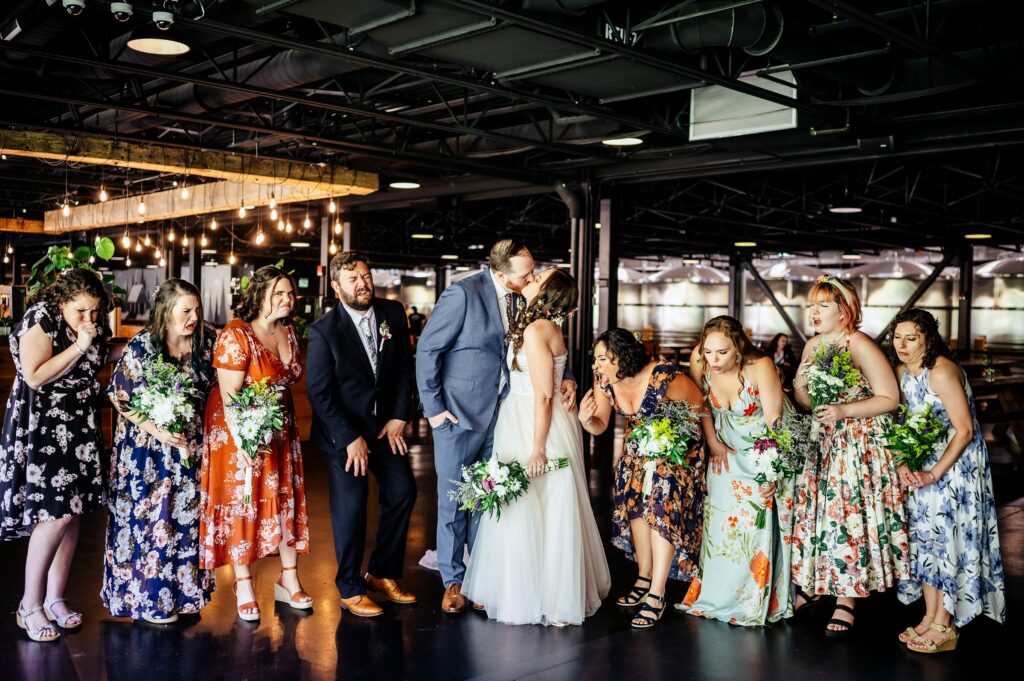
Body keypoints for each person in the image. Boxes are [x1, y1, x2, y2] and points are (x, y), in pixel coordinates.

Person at [416, 238, 575, 614]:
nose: (532, 277)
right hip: (458, 415)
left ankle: (478, 577)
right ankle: (453, 581)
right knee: (456, 500)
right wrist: (435, 410)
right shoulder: (463, 295)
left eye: (533, 269)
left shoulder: (527, 297)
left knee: (489, 499)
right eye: (526, 273)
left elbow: (541, 345)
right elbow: (428, 350)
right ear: (500, 273)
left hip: (504, 417)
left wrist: (564, 375)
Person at [462, 269, 610, 626]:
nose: (533, 276)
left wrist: (538, 448)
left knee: (545, 506)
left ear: (547, 293)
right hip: (520, 417)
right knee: (528, 508)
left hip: (536, 423)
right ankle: (531, 591)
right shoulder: (536, 325)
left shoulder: (536, 329)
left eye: (540, 276)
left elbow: (544, 395)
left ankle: (554, 599)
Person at [790, 276, 909, 636]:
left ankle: (846, 598)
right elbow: (803, 397)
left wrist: (843, 410)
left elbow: (890, 398)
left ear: (844, 311)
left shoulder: (858, 343)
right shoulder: (812, 346)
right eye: (812, 305)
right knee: (816, 515)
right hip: (821, 440)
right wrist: (809, 399)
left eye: (822, 305)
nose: (814, 311)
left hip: (856, 442)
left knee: (845, 516)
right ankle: (813, 584)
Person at [0, 269, 109, 641]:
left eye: (95, 312)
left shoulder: (91, 323)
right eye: (81, 311)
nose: (90, 320)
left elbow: (97, 365)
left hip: (79, 426)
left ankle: (54, 598)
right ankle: (29, 605)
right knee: (55, 515)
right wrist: (79, 345)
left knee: (72, 515)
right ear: (62, 302)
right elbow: (34, 375)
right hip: (43, 428)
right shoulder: (41, 318)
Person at [307, 251, 417, 618]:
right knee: (352, 508)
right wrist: (350, 437)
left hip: (386, 428)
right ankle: (350, 588)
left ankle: (382, 573)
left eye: (366, 276)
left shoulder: (392, 313)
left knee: (403, 492)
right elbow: (319, 393)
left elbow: (404, 367)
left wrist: (401, 415)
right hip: (345, 433)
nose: (363, 284)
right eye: (353, 279)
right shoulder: (323, 330)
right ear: (337, 287)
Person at [888, 309, 1005, 653]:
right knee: (926, 540)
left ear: (928, 339)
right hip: (923, 463)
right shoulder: (901, 373)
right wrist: (901, 463)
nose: (903, 345)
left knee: (949, 539)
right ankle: (929, 615)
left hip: (956, 467)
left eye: (912, 338)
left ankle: (947, 623)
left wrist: (934, 472)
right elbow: (899, 423)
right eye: (898, 337)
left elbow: (966, 430)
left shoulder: (940, 372)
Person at [199, 265, 310, 621]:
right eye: (278, 293)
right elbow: (230, 398)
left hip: (280, 429)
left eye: (290, 293)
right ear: (258, 295)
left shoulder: (289, 332)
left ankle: (288, 578)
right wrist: (245, 441)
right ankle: (243, 582)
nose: (287, 300)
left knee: (283, 500)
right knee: (244, 501)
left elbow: (289, 378)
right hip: (240, 431)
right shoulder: (236, 335)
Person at [102, 279, 216, 624]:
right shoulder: (143, 345)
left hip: (189, 449)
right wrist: (159, 430)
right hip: (145, 450)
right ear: (166, 313)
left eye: (197, 309)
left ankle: (183, 596)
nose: (194, 316)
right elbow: (119, 397)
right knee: (148, 524)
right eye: (186, 311)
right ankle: (148, 601)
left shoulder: (206, 343)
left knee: (184, 522)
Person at [578, 328, 705, 629]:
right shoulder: (604, 382)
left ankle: (657, 594)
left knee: (661, 505)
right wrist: (586, 421)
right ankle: (644, 576)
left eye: (601, 359)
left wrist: (673, 439)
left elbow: (700, 407)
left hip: (676, 452)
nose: (596, 366)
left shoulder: (663, 377)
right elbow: (601, 425)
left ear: (621, 357)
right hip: (637, 451)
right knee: (635, 505)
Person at [678, 316, 795, 625]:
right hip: (724, 453)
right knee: (720, 527)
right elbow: (700, 404)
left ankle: (750, 598)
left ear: (739, 348)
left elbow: (774, 421)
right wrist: (713, 442)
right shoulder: (700, 360)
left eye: (722, 353)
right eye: (708, 351)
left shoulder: (761, 366)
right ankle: (716, 595)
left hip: (760, 453)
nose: (713, 360)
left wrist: (771, 472)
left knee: (754, 527)